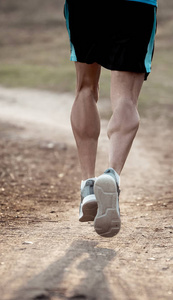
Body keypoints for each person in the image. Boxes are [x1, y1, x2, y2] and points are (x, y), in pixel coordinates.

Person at [64, 0, 157, 237]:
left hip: (85, 7)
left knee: (85, 89)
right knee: (125, 97)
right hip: (135, 5)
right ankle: (111, 176)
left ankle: (88, 186)